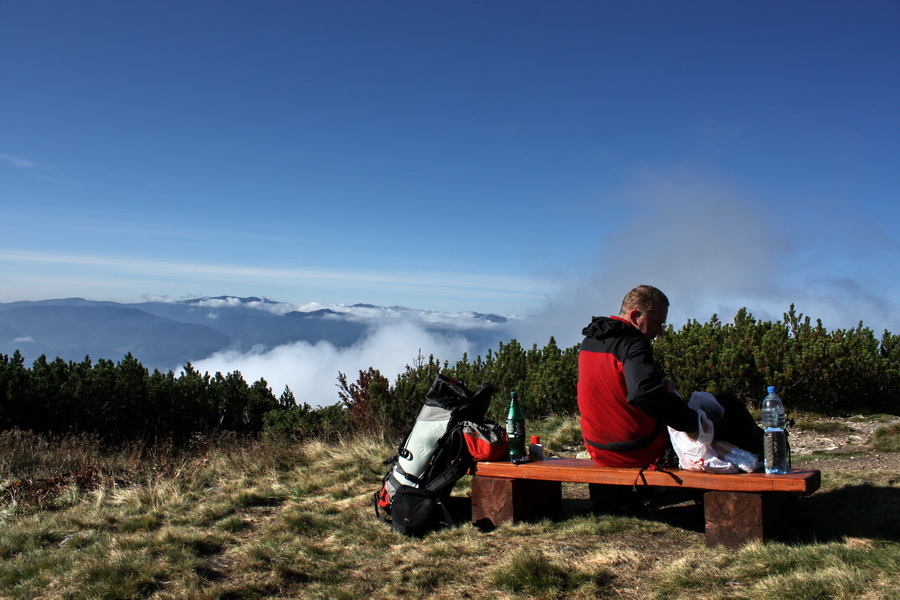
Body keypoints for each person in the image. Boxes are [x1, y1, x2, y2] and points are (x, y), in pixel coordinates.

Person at [577, 284, 763, 468]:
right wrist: (693, 424)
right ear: (635, 316)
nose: (660, 331)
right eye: (657, 323)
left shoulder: (591, 340)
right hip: (633, 450)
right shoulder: (633, 343)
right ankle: (759, 466)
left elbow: (613, 386)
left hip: (598, 449)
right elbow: (643, 393)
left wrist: (659, 387)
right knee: (729, 408)